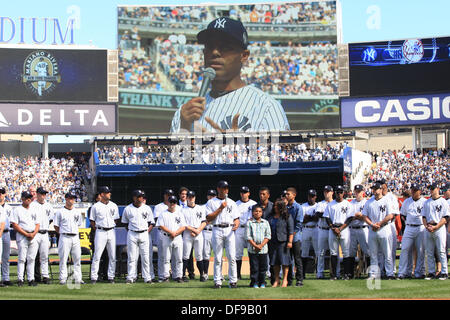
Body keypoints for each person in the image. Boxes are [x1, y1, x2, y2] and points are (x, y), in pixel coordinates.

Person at [170, 17, 290, 133]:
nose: (215, 52)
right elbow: (171, 153)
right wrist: (184, 126)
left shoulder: (265, 107)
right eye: (210, 47)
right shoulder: (184, 113)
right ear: (204, 53)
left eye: (225, 48)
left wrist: (238, 148)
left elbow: (284, 153)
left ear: (244, 56)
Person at [205, 180, 240, 289]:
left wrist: (236, 224)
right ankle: (217, 281)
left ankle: (233, 281)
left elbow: (236, 218)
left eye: (226, 188)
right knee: (218, 257)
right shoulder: (211, 202)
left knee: (232, 256)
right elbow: (208, 218)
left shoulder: (232, 202)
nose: (224, 190)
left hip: (229, 229)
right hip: (217, 229)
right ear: (218, 189)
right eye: (222, 188)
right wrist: (220, 208)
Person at [361, 182, 395, 280]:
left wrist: (379, 223)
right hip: (372, 229)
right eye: (373, 189)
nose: (375, 191)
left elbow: (390, 215)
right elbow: (364, 216)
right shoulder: (369, 202)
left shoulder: (387, 200)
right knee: (373, 254)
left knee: (387, 253)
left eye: (376, 189)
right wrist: (372, 224)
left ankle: (389, 273)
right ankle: (374, 274)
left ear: (380, 190)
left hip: (384, 228)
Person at [121, 189, 155, 284]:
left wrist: (145, 231)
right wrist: (132, 231)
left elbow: (151, 222)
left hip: (144, 233)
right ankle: (131, 277)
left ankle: (147, 277)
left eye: (142, 196)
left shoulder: (147, 208)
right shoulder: (128, 209)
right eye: (139, 196)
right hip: (132, 233)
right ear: (134, 197)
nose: (141, 198)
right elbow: (124, 223)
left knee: (146, 257)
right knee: (132, 257)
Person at [89, 186, 120, 284]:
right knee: (97, 255)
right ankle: (94, 277)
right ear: (102, 194)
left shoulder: (114, 205)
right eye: (107, 193)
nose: (109, 194)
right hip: (100, 231)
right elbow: (92, 221)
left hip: (111, 230)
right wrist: (99, 228)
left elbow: (116, 219)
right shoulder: (95, 206)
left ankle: (111, 277)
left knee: (112, 256)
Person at [323, 185, 354, 280]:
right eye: (337, 192)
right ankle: (334, 274)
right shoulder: (330, 204)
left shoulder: (347, 204)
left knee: (346, 252)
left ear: (343, 193)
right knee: (333, 253)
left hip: (343, 229)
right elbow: (327, 218)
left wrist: (340, 229)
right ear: (335, 193)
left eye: (341, 192)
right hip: (333, 229)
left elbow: (350, 218)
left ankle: (346, 274)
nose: (339, 194)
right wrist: (333, 228)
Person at [53, 191, 84, 285]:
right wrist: (62, 233)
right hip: (64, 236)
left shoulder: (77, 212)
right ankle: (63, 278)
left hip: (75, 236)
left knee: (77, 258)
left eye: (73, 198)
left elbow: (79, 224)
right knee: (63, 259)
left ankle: (78, 278)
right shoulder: (60, 212)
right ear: (66, 199)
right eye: (70, 198)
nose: (72, 200)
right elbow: (56, 226)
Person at [10, 191, 40, 286]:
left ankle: (31, 279)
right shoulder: (17, 210)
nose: (28, 199)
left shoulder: (34, 209)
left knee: (31, 258)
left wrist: (33, 233)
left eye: (30, 197)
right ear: (22, 199)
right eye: (27, 197)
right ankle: (20, 279)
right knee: (22, 259)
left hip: (33, 235)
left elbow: (37, 224)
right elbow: (15, 224)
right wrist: (26, 234)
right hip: (22, 235)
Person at [397, 183, 426, 279]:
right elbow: (403, 215)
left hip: (421, 227)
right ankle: (403, 272)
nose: (413, 192)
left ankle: (419, 272)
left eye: (415, 190)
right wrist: (407, 222)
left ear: (420, 191)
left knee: (420, 250)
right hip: (409, 227)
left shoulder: (424, 202)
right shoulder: (406, 202)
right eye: (412, 190)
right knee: (405, 249)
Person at [156, 195, 186, 283]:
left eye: (174, 202)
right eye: (171, 202)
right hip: (167, 237)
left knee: (179, 258)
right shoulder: (163, 213)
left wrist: (175, 233)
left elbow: (183, 227)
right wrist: (171, 233)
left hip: (177, 237)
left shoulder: (180, 214)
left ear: (176, 203)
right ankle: (166, 276)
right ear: (168, 202)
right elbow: (161, 225)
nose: (172, 204)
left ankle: (179, 276)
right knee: (166, 258)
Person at [422, 183, 449, 280]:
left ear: (437, 189)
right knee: (429, 251)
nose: (431, 191)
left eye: (433, 189)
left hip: (439, 228)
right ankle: (431, 272)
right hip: (429, 228)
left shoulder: (443, 202)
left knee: (441, 250)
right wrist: (426, 226)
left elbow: (446, 218)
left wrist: (436, 226)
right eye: (430, 189)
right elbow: (424, 217)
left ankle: (444, 272)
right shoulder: (426, 202)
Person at [267, 199, 294, 287]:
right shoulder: (270, 217)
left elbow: (291, 230)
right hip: (272, 242)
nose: (275, 207)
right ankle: (277, 279)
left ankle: (285, 280)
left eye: (277, 206)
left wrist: (290, 241)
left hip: (283, 242)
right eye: (274, 206)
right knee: (275, 262)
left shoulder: (287, 216)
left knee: (285, 262)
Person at [181, 190, 207, 282]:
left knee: (199, 255)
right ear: (187, 198)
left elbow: (204, 222)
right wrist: (193, 230)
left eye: (192, 196)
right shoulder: (182, 210)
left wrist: (197, 230)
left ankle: (202, 275)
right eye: (189, 197)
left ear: (195, 197)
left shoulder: (200, 208)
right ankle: (183, 275)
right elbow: (183, 224)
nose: (191, 198)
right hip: (188, 234)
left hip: (198, 233)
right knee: (185, 255)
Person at [32, 187, 53, 284]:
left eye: (44, 194)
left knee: (44, 256)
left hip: (45, 232)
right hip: (35, 233)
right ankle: (35, 277)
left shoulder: (48, 205)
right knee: (33, 256)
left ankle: (45, 276)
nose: (43, 195)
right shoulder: (32, 205)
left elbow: (50, 219)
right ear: (37, 194)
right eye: (41, 193)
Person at [246, 204, 271, 288]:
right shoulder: (249, 223)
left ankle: (262, 282)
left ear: (262, 213)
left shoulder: (265, 222)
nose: (257, 213)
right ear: (252, 213)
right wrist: (255, 246)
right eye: (256, 211)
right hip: (253, 249)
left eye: (259, 211)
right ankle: (255, 282)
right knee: (254, 267)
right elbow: (248, 236)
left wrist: (261, 245)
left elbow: (268, 235)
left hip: (263, 249)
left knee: (263, 267)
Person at [235, 186, 257, 280]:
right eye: (242, 192)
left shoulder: (253, 203)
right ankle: (237, 274)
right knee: (238, 253)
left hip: (250, 228)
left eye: (245, 192)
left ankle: (253, 274)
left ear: (248, 193)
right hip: (239, 229)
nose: (243, 194)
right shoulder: (236, 204)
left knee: (251, 252)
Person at [348, 184, 369, 279]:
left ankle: (369, 273)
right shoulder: (351, 203)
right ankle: (350, 273)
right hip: (352, 229)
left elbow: (366, 217)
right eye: (356, 191)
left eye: (359, 191)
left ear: (362, 192)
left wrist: (358, 216)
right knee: (351, 252)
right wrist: (358, 216)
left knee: (367, 251)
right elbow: (349, 217)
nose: (357, 193)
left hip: (363, 228)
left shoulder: (366, 203)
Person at [314, 185, 336, 279]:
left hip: (332, 229)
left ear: (332, 192)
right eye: (325, 191)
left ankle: (335, 272)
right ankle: (320, 272)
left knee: (334, 252)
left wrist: (325, 214)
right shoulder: (320, 203)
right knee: (321, 252)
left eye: (328, 191)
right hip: (322, 229)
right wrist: (327, 214)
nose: (326, 193)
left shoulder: (335, 203)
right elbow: (318, 214)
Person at [154, 189, 174, 282]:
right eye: (167, 194)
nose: (169, 196)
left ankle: (175, 274)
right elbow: (158, 221)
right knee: (162, 255)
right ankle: (162, 275)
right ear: (164, 195)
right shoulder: (159, 207)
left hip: (174, 234)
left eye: (170, 194)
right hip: (162, 233)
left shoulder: (176, 207)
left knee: (174, 256)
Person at [285, 187, 303, 286]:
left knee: (297, 259)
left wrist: (291, 235)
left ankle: (299, 279)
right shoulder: (285, 207)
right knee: (288, 259)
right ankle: (289, 280)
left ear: (294, 195)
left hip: (295, 238)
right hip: (286, 237)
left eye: (288, 194)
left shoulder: (298, 207)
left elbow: (299, 224)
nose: (286, 196)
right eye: (286, 194)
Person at [300, 189, 319, 278]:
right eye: (309, 196)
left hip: (316, 229)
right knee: (304, 253)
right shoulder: (303, 206)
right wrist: (312, 217)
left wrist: (309, 217)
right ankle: (302, 273)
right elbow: (302, 220)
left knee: (318, 252)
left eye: (312, 196)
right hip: (306, 229)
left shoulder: (318, 205)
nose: (311, 198)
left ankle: (319, 272)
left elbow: (317, 218)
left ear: (315, 196)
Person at [178, 187, 195, 280]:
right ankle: (180, 273)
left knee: (189, 253)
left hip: (188, 232)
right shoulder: (176, 205)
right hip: (179, 232)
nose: (184, 195)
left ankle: (191, 272)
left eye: (186, 194)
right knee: (180, 254)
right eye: (182, 194)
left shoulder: (190, 205)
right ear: (180, 195)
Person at [202, 189, 216, 281]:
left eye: (213, 195)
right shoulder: (202, 207)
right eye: (210, 195)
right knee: (205, 254)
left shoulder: (218, 206)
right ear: (207, 196)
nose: (211, 197)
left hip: (216, 230)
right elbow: (204, 220)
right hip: (206, 231)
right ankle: (205, 273)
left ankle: (219, 274)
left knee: (218, 254)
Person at [0, 187, 13, 286]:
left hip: (6, 232)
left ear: (5, 194)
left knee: (6, 257)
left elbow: (12, 222)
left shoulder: (8, 207)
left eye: (2, 193)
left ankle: (6, 277)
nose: (0, 194)